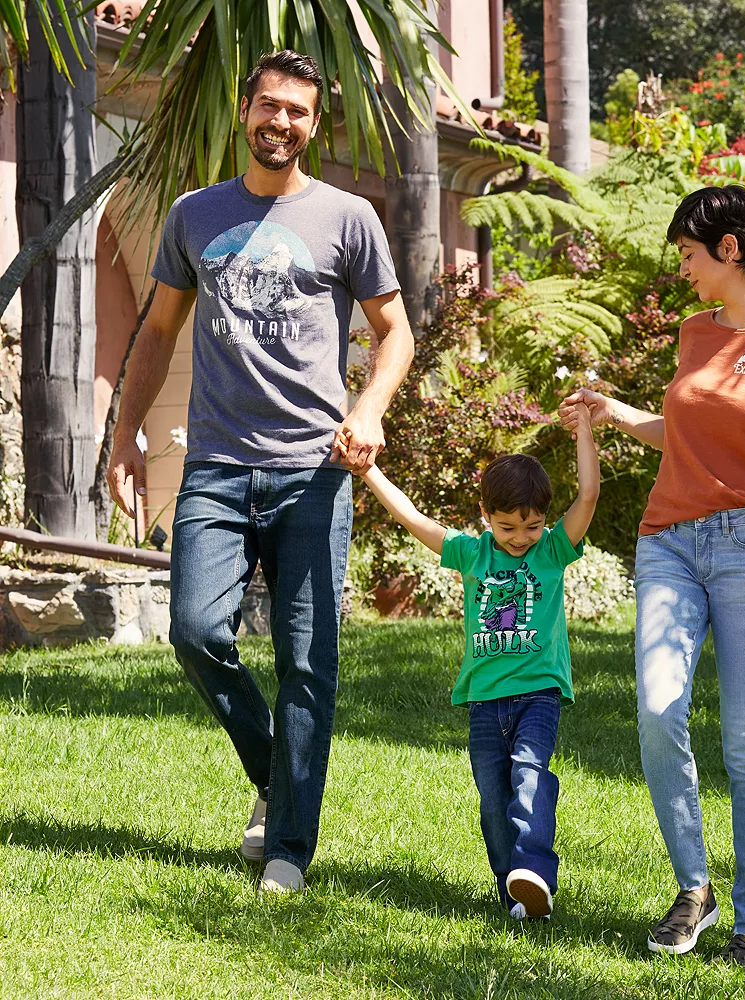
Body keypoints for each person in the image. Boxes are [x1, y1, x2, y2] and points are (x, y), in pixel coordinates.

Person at [107, 50, 414, 893]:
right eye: (270, 105)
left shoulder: (348, 217)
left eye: (298, 112)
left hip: (314, 470)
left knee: (307, 660)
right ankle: (277, 771)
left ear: (314, 125)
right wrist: (125, 434)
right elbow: (158, 330)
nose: (281, 121)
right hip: (215, 463)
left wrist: (369, 409)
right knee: (195, 632)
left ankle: (288, 848)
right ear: (246, 110)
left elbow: (396, 332)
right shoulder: (195, 214)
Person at [560, 185, 745, 968]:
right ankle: (694, 887)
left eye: (688, 253)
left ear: (729, 248)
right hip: (670, 545)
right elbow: (687, 435)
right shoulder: (694, 332)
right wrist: (616, 413)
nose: (681, 268)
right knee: (658, 710)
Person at [359, 408, 599, 918]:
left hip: (538, 692)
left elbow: (588, 497)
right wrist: (369, 470)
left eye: (532, 526)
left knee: (529, 774)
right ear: (485, 515)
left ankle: (534, 869)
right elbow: (413, 519)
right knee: (493, 801)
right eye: (507, 526)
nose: (520, 537)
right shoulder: (471, 554)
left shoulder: (552, 551)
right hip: (484, 701)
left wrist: (584, 432)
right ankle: (515, 893)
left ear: (545, 521)